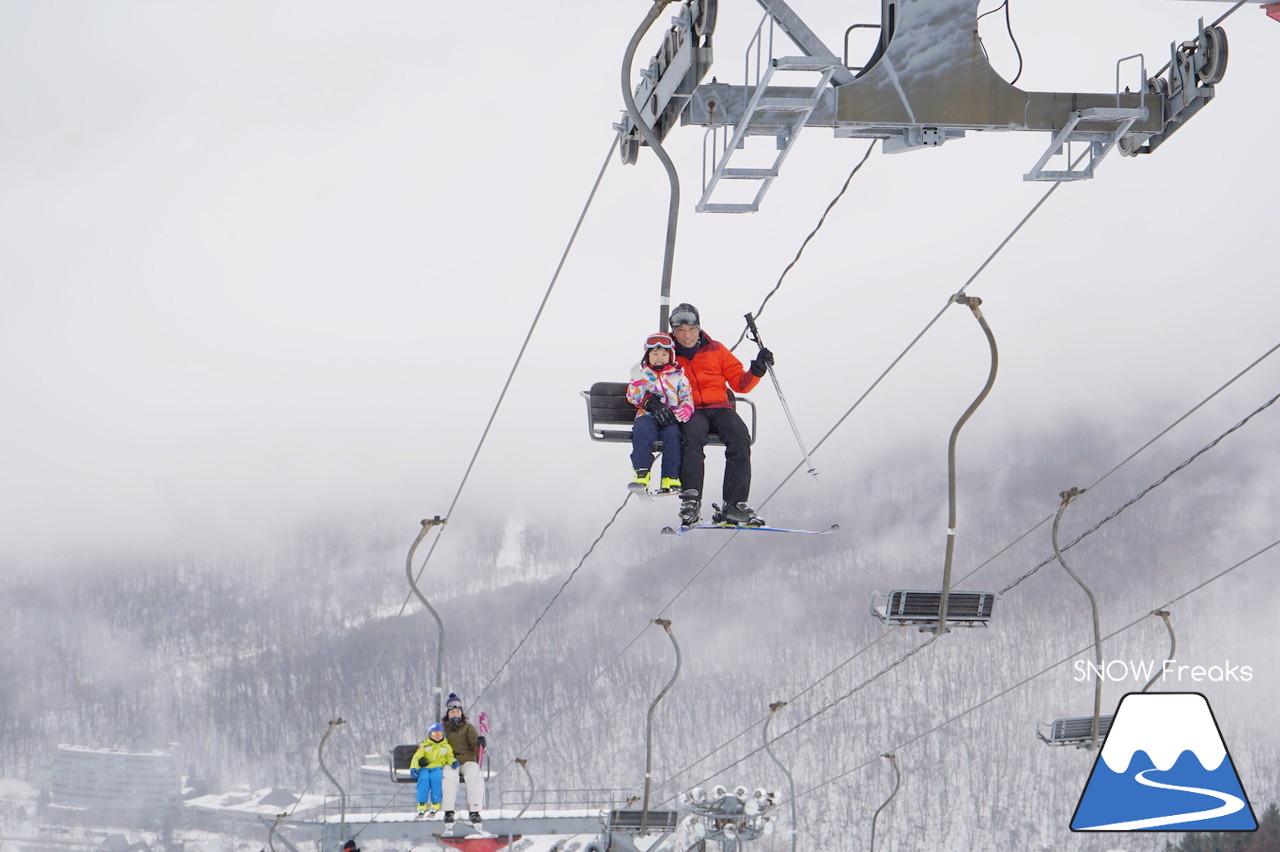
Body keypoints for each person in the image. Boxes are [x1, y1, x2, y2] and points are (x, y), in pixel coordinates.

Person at [668, 303, 773, 527]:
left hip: (719, 406)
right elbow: (649, 377)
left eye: (691, 330)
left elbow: (740, 384)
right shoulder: (667, 353)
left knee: (739, 437)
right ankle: (691, 500)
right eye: (681, 331)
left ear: (699, 328)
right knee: (691, 438)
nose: (687, 336)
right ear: (674, 332)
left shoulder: (716, 349)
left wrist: (757, 370)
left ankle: (734, 504)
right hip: (690, 408)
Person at [625, 332, 694, 493]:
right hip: (647, 416)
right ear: (647, 356)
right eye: (655, 354)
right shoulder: (642, 374)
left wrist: (686, 408)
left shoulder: (678, 375)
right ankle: (642, 474)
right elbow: (634, 399)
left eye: (664, 354)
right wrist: (636, 382)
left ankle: (670, 478)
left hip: (670, 417)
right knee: (642, 432)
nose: (659, 357)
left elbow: (686, 394)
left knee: (673, 436)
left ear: (670, 356)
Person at [440, 692, 486, 829]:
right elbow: (435, 744)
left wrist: (481, 744)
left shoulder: (468, 728)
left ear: (461, 713)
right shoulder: (443, 729)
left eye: (457, 712)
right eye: (452, 712)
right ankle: (448, 811)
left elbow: (476, 747)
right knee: (449, 777)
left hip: (467, 760)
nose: (455, 714)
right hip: (450, 761)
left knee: (475, 776)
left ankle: (474, 810)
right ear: (448, 714)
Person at [410, 722, 455, 819]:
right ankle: (422, 803)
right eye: (435, 734)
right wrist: (414, 767)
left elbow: (449, 757)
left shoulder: (446, 747)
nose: (437, 736)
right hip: (425, 768)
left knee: (436, 780)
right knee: (424, 780)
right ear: (430, 734)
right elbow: (417, 757)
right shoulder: (424, 746)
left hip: (437, 767)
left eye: (440, 734)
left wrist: (453, 762)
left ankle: (435, 803)